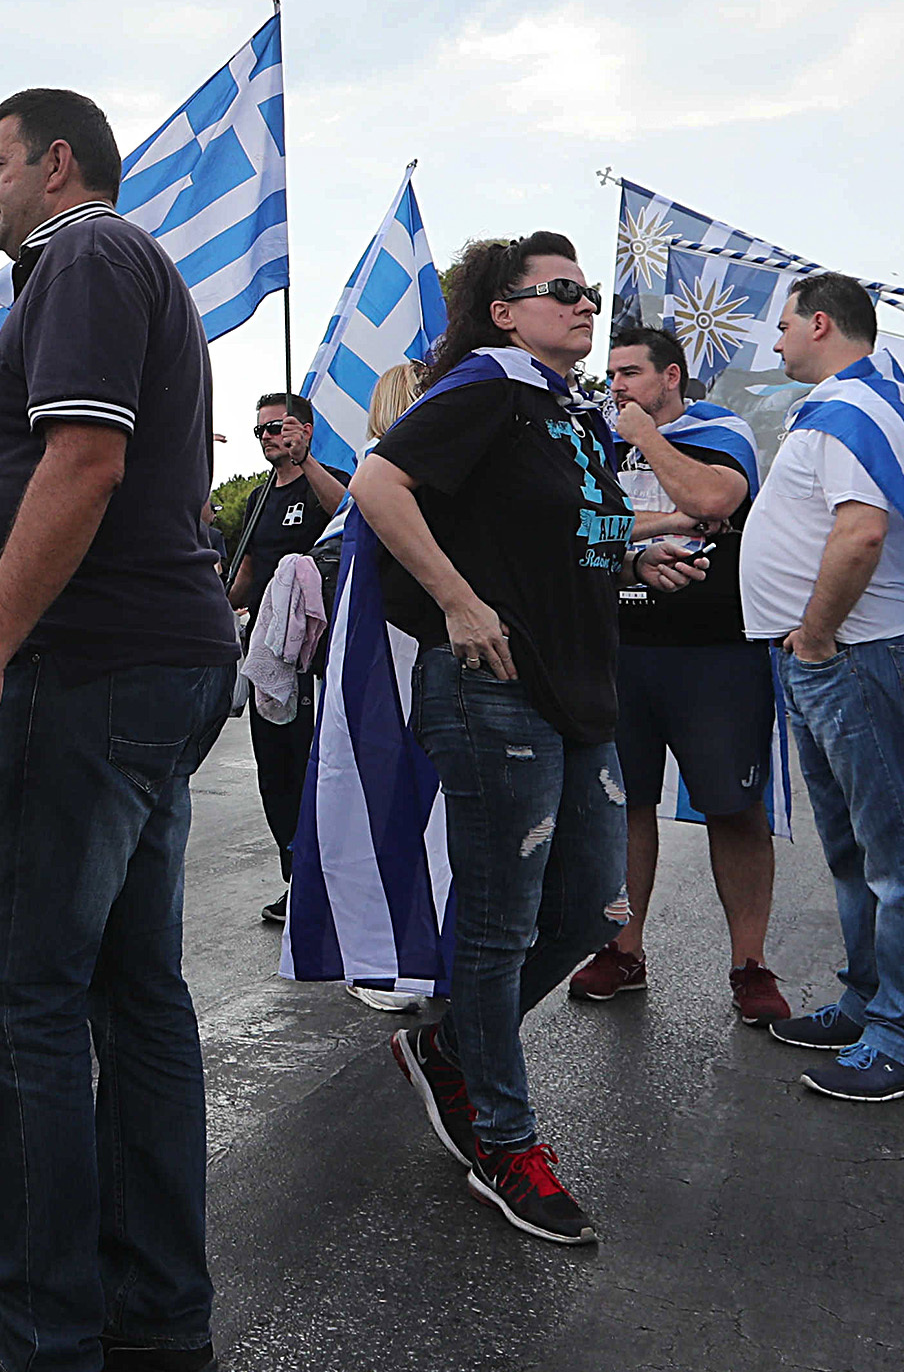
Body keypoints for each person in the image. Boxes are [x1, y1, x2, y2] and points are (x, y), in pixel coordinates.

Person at [0, 91, 236, 1372]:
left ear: (54, 162)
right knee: (133, 996)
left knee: (23, 1001)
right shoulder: (108, 269)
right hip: (139, 671)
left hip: (83, 679)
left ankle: (39, 1362)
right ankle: (153, 1318)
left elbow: (82, 459)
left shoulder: (82, 254)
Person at [348, 235, 635, 1248]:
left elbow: (558, 536)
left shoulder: (566, 412)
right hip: (494, 690)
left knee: (596, 905)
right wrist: (460, 602)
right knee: (502, 926)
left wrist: (644, 553)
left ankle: (454, 1051)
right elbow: (377, 488)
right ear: (504, 311)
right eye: (560, 291)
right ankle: (504, 1140)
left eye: (587, 290)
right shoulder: (486, 389)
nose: (584, 303)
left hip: (577, 690)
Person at [744, 273, 904, 1105]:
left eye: (786, 326)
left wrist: (819, 632)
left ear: (821, 324)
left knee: (896, 854)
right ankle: (872, 1007)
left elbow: (860, 530)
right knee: (858, 852)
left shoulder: (852, 409)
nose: (776, 341)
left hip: (850, 654)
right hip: (830, 656)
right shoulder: (843, 407)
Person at [569, 326, 795, 1029]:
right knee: (624, 805)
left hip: (713, 651)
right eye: (610, 375)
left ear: (671, 376)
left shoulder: (719, 428)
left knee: (731, 807)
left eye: (631, 373)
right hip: (619, 648)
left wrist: (646, 438)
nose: (617, 387)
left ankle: (749, 963)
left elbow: (716, 499)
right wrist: (662, 520)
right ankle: (623, 948)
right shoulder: (594, 443)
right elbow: (577, 530)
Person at [219, 392, 345, 925]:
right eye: (263, 431)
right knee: (277, 770)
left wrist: (306, 460)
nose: (271, 437)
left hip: (321, 652)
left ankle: (328, 881)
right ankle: (295, 876)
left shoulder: (327, 477)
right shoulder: (259, 496)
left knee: (320, 769)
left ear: (307, 430)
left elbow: (351, 512)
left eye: (280, 427)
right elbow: (246, 568)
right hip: (271, 655)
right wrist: (215, 612)